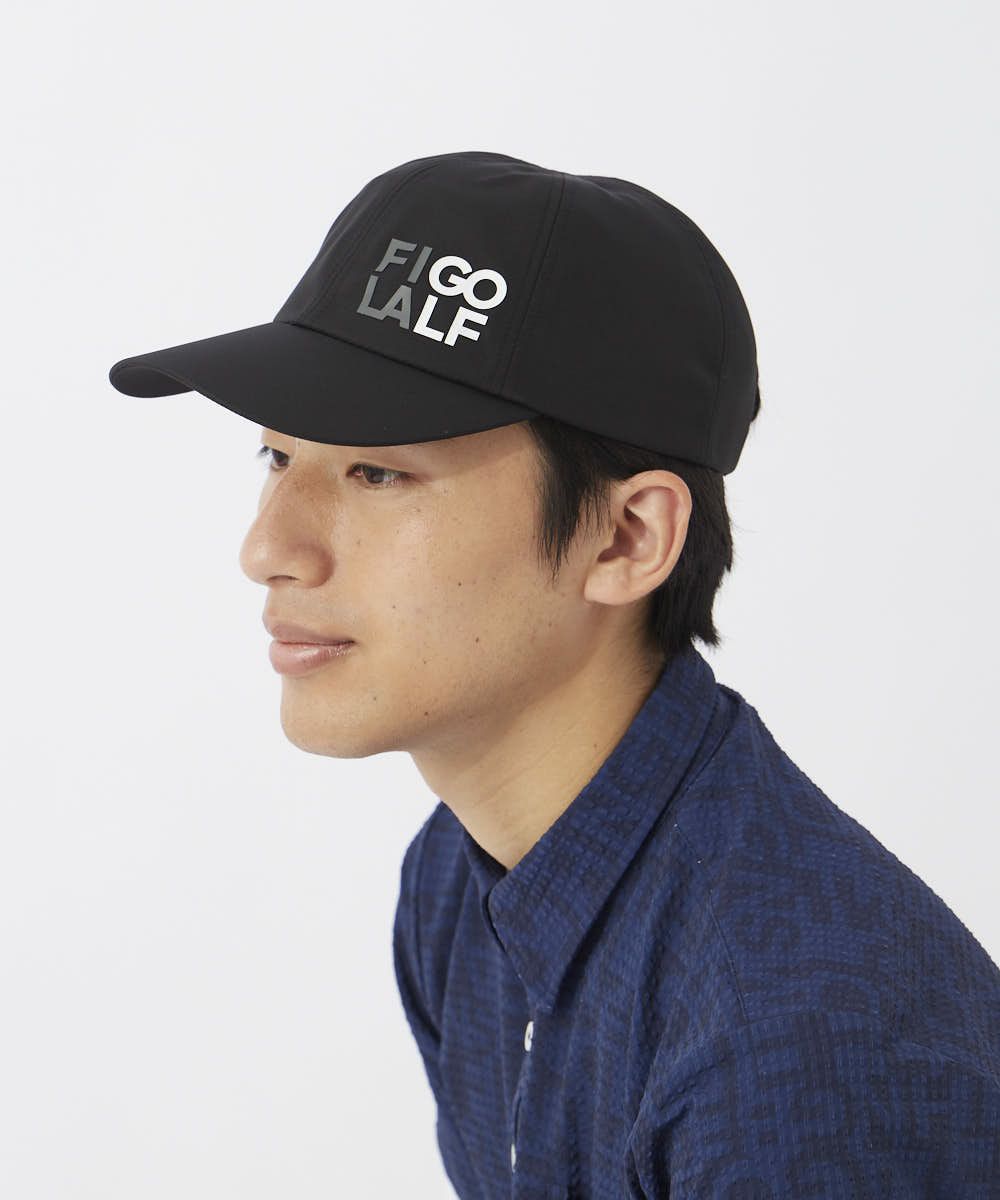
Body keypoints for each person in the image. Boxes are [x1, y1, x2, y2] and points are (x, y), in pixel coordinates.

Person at [108, 150, 1000, 1197]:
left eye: (378, 471)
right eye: (276, 457)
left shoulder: (803, 1047)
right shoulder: (456, 884)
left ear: (627, 538)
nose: (269, 549)